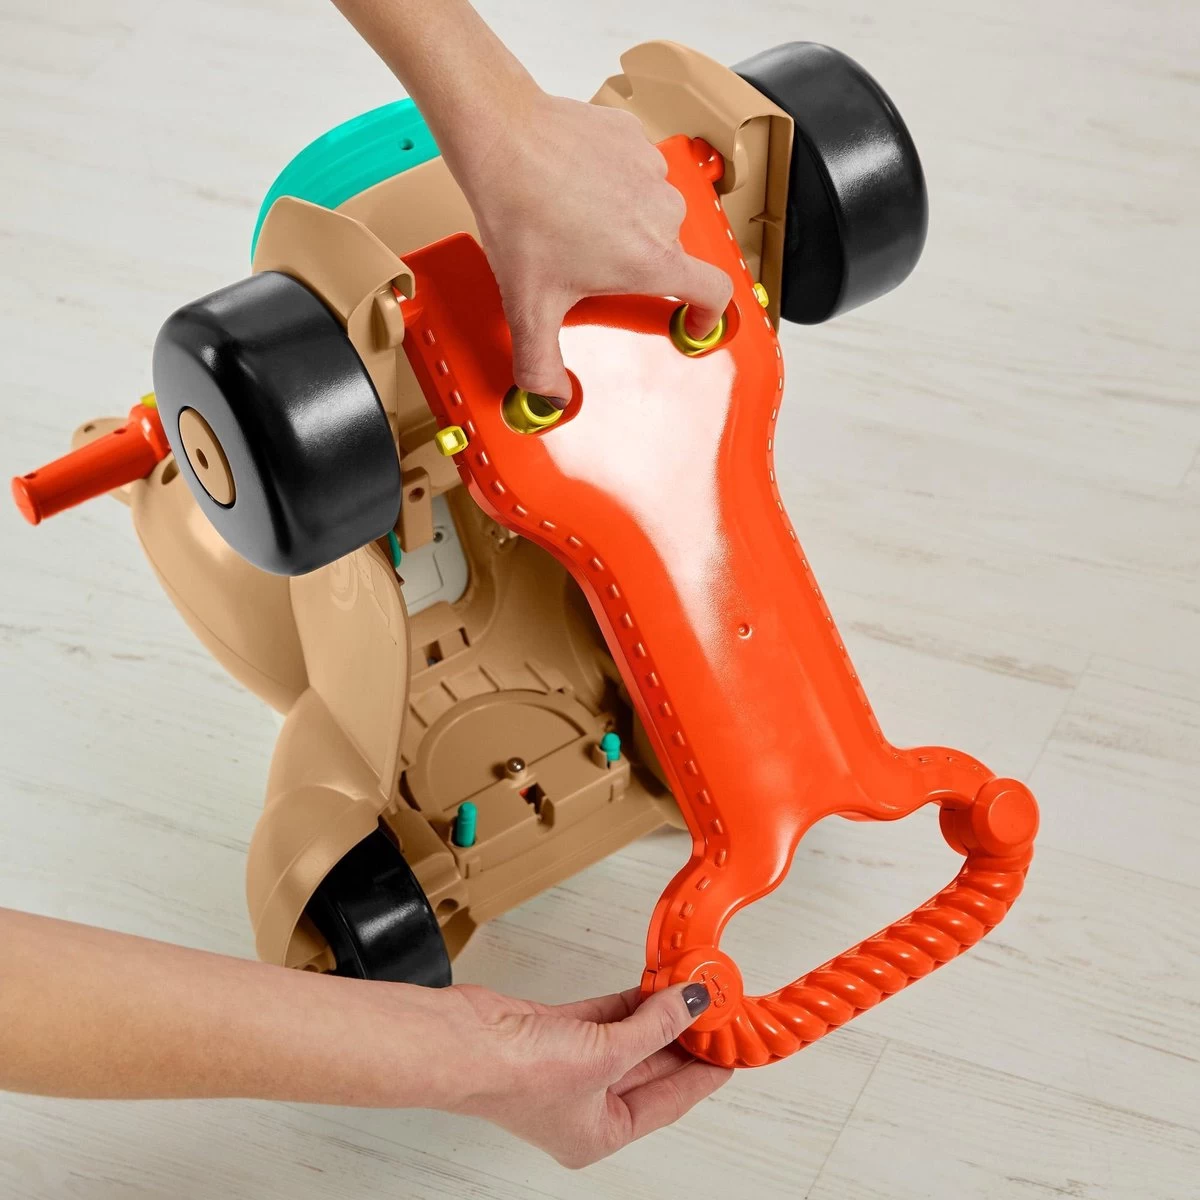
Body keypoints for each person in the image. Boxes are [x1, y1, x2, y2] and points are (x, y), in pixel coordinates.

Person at [0, 0, 734, 1170]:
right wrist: (457, 1054)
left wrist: (496, 112)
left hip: (517, 502)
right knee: (276, 606)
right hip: (363, 563)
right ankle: (149, 467)